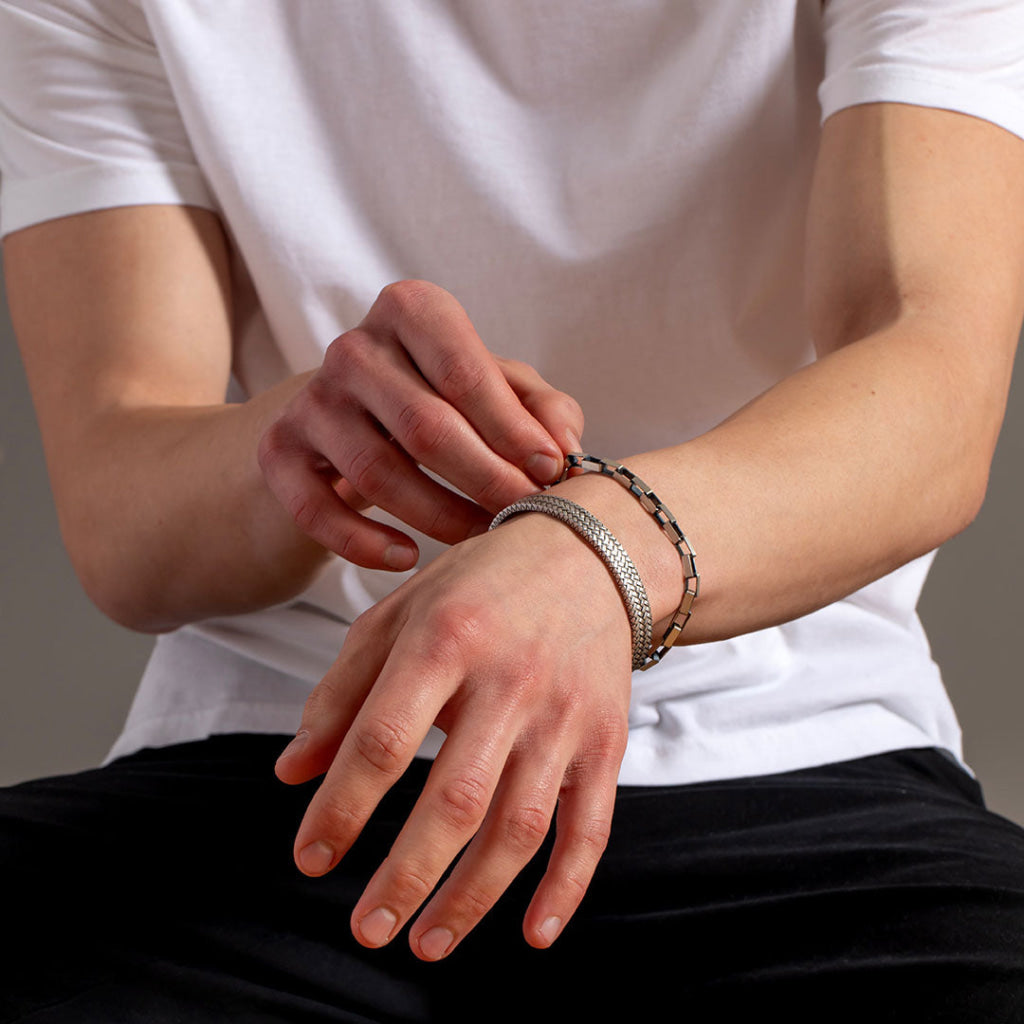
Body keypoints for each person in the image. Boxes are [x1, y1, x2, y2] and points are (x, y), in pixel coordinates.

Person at [2, 0, 1024, 1020]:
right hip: (289, 755)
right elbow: (121, 518)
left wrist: (598, 550)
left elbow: (928, 375)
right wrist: (301, 444)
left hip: (808, 756)